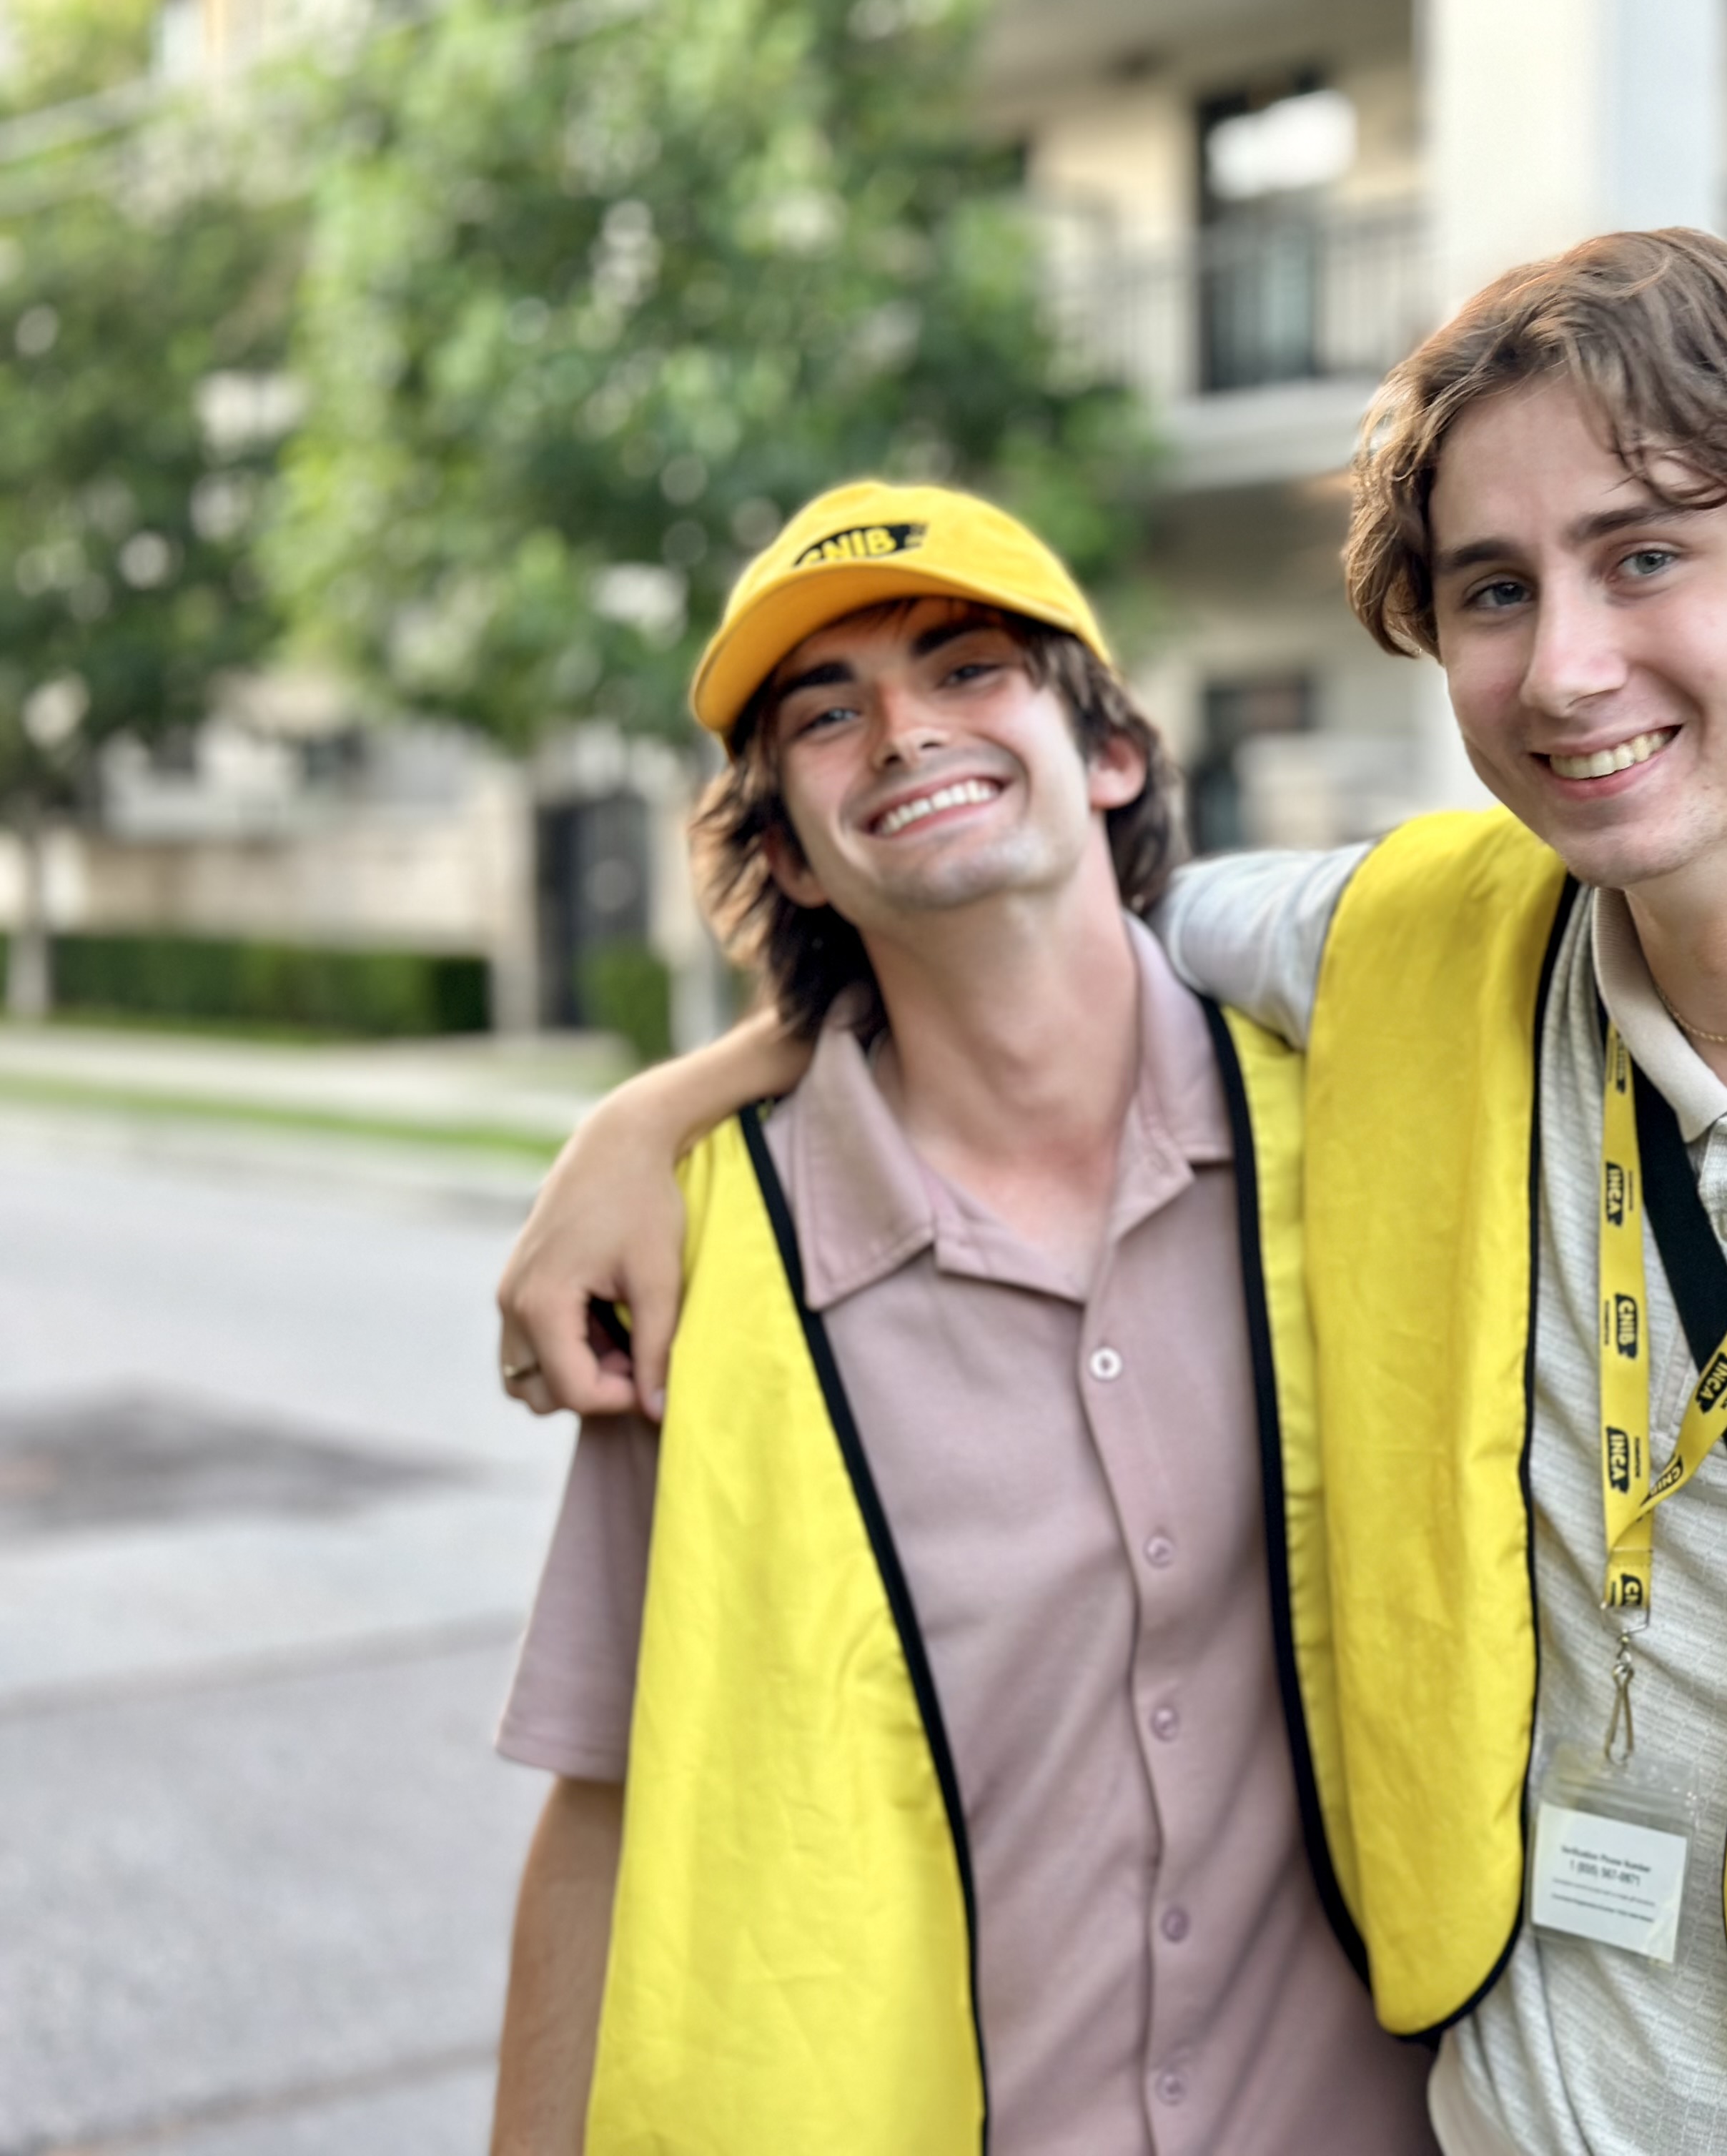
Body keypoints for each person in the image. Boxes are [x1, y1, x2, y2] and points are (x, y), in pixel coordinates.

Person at [498, 236, 1727, 2155]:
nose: (1568, 664)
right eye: (1495, 591)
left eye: (1647, 554)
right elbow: (1052, 935)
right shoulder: (1412, 949)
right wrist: (655, 1114)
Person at [485, 482, 1439, 2154]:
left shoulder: (1373, 1136)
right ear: (788, 847)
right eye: (828, 715)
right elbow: (608, 1807)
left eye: (969, 671)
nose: (906, 733)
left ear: (1112, 755)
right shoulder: (713, 1264)